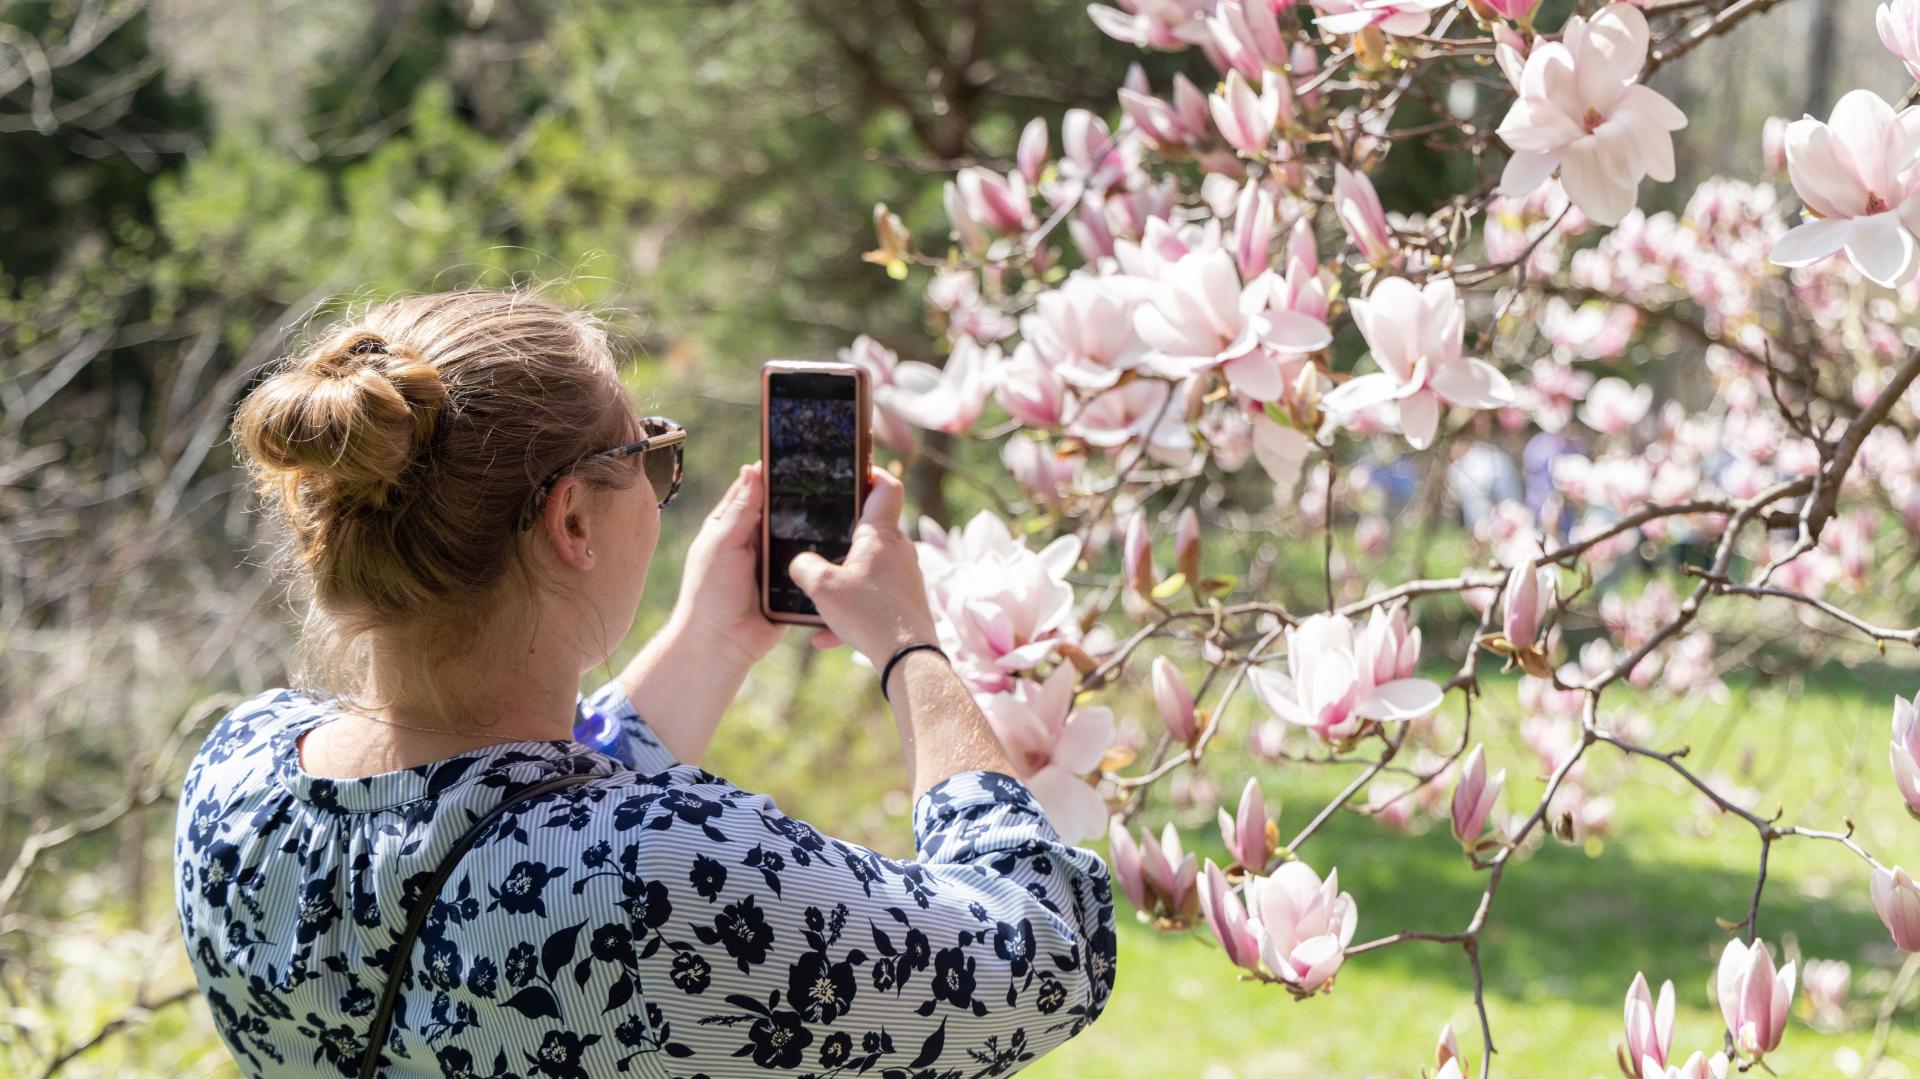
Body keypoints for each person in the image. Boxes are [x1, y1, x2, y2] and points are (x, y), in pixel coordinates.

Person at [173, 291, 1115, 1077]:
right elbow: (1048, 950)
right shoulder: (653, 879)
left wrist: (711, 637)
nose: (665, 488)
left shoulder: (235, 779)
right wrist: (912, 646)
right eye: (648, 457)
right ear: (573, 520)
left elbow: (504, 805)